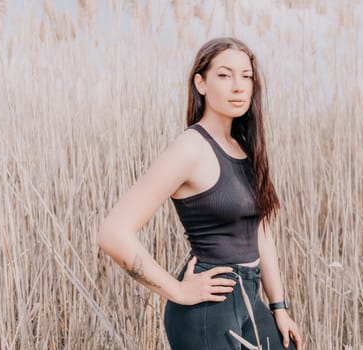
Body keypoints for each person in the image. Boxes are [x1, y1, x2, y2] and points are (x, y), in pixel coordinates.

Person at [97, 37, 302, 350]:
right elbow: (113, 233)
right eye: (224, 75)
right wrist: (177, 291)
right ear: (201, 83)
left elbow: (262, 232)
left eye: (246, 76)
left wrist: (279, 307)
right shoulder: (190, 149)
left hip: (250, 298)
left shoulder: (245, 148)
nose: (238, 86)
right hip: (208, 309)